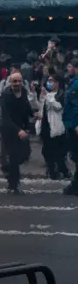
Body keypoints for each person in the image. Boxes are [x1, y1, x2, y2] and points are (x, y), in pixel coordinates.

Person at [0, 72, 33, 194]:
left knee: (25, 154)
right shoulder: (6, 95)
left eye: (19, 81)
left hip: (22, 129)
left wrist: (33, 115)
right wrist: (18, 130)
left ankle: (9, 172)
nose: (17, 84)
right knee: (13, 158)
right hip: (10, 130)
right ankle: (13, 184)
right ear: (10, 83)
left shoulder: (23, 91)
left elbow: (26, 106)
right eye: (15, 81)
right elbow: (6, 117)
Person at [37, 74, 69, 180]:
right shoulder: (48, 94)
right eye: (48, 81)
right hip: (46, 127)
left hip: (56, 128)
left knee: (58, 153)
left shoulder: (61, 94)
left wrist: (47, 96)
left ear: (57, 83)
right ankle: (52, 171)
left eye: (51, 81)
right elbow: (40, 106)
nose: (49, 83)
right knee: (46, 151)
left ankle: (63, 172)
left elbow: (58, 107)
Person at [63, 60, 78, 195]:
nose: (68, 68)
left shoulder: (76, 83)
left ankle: (75, 186)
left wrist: (76, 124)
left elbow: (75, 105)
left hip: (74, 125)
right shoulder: (73, 82)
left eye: (69, 66)